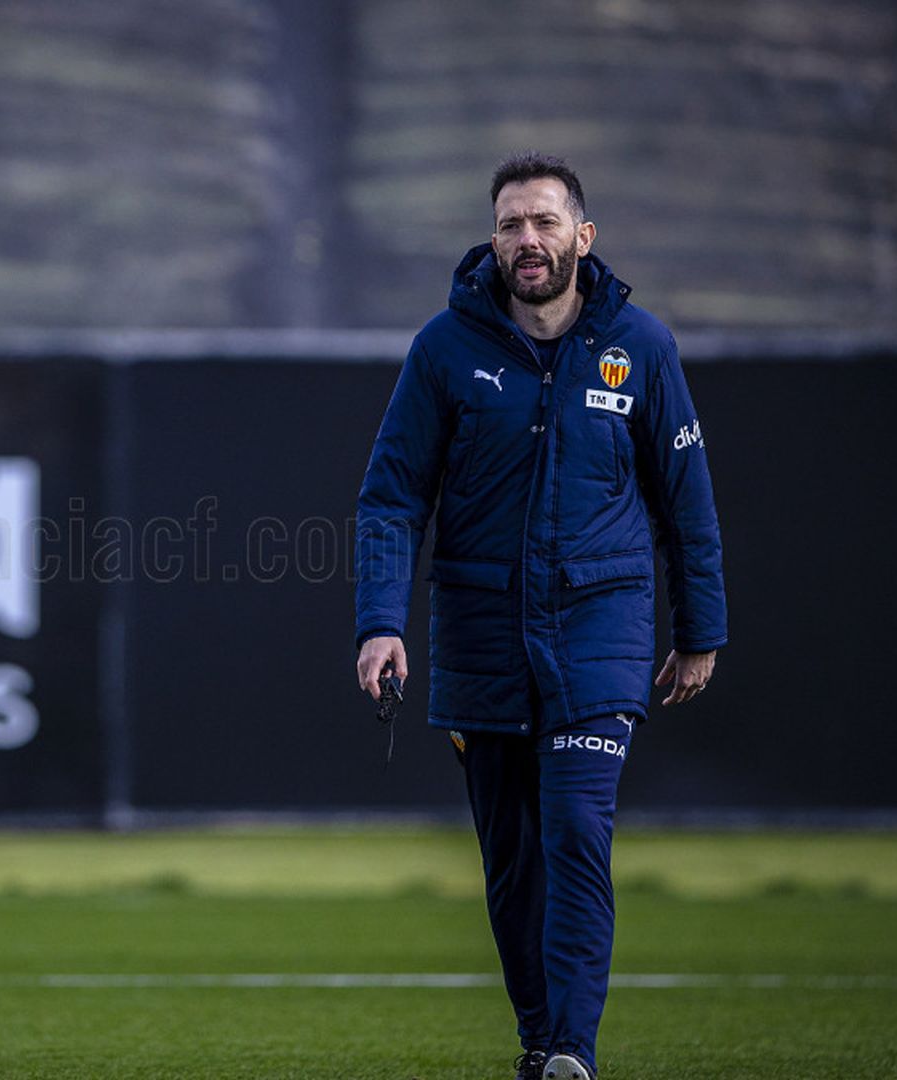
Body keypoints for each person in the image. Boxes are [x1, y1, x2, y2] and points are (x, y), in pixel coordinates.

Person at [352, 152, 726, 1080]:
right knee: (513, 865)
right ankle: (538, 1041)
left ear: (582, 237)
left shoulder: (640, 346)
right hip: (481, 637)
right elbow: (392, 497)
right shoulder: (445, 348)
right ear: (494, 238)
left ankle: (573, 1052)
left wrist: (700, 630)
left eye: (546, 223)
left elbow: (688, 501)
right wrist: (379, 622)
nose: (528, 240)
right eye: (512, 224)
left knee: (575, 834)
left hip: (602, 629)